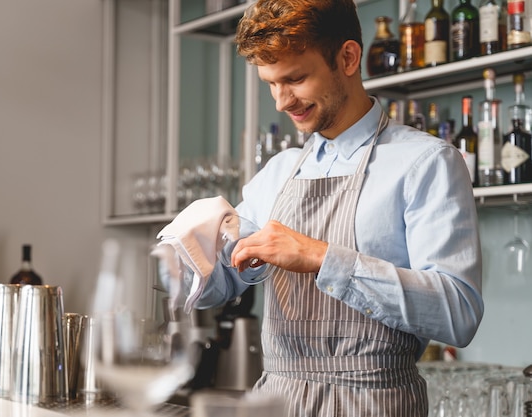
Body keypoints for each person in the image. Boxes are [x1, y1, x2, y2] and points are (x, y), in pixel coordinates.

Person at [193, 1, 484, 416]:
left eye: (295, 79)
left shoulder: (427, 162)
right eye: (271, 84)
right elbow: (217, 289)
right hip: (275, 402)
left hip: (373, 402)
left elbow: (459, 314)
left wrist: (320, 258)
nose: (281, 101)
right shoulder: (276, 174)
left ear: (348, 57)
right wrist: (186, 255)